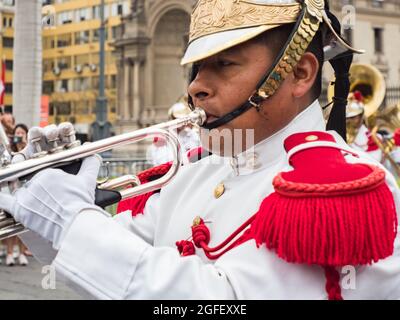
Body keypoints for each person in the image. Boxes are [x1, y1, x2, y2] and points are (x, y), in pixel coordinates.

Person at [1, 0, 400, 300]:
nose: (195, 87)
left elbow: (225, 300)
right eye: (196, 68)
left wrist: (72, 220)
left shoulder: (341, 188)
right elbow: (115, 253)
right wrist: (39, 205)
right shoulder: (196, 174)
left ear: (300, 72)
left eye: (224, 64)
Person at [3, 123, 31, 266]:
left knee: (23, 226)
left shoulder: (29, 149)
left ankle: (21, 253)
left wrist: (25, 146)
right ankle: (9, 253)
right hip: (11, 191)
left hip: (26, 191)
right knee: (10, 224)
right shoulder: (9, 151)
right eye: (17, 133)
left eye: (22, 133)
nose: (19, 135)